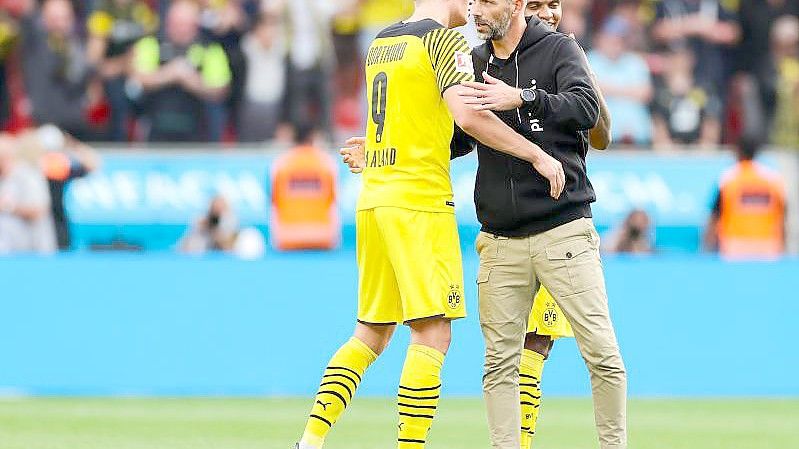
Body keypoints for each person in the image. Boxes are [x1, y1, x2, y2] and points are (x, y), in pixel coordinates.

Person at [297, 0, 566, 447]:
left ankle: (309, 439)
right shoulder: (442, 40)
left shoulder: (382, 41)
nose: (472, 5)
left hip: (375, 198)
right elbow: (469, 116)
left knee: (371, 330)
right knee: (433, 331)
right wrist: (535, 153)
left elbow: (406, 118)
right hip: (419, 203)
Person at [457, 1, 627, 448]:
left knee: (603, 356)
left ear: (514, 5)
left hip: (563, 230)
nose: (476, 10)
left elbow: (587, 108)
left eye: (488, 2)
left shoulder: (557, 49)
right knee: (499, 365)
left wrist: (525, 97)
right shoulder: (473, 61)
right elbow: (456, 138)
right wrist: (388, 144)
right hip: (499, 239)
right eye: (473, 1)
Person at [130, 0, 231, 142]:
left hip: (197, 130)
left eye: (185, 24)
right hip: (155, 127)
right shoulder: (152, 43)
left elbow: (220, 89)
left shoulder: (210, 49)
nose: (180, 29)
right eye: (176, 23)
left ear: (195, 25)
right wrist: (170, 73)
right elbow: (139, 77)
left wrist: (190, 80)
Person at [18, 0, 95, 140]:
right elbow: (26, 15)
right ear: (43, 18)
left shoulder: (77, 46)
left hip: (75, 125)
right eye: (54, 18)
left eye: (65, 18)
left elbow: (80, 80)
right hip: (43, 124)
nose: (60, 24)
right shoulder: (35, 41)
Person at [86, 0, 158, 141]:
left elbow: (152, 45)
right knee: (117, 104)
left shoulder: (142, 11)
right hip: (113, 79)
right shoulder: (103, 13)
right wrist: (123, 63)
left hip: (141, 75)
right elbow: (93, 62)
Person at [704, 136, 786, 259]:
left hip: (734, 248)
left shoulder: (728, 178)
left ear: (737, 151)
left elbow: (715, 216)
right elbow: (782, 215)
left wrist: (707, 248)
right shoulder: (772, 179)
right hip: (768, 247)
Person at [270, 124, 339, 251]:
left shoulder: (281, 163)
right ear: (313, 138)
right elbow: (333, 199)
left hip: (287, 238)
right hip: (322, 237)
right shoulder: (326, 162)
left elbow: (274, 201)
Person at [33, 124, 100, 250]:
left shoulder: (41, 164)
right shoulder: (58, 165)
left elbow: (92, 165)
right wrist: (73, 145)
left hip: (50, 220)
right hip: (49, 219)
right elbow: (92, 164)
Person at [0, 133, 57, 253]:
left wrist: (8, 207)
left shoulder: (27, 176)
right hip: (7, 250)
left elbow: (38, 209)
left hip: (32, 252)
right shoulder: (3, 178)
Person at [238, 10, 285, 142]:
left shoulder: (283, 51)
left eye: (273, 27)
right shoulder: (245, 50)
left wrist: (286, 120)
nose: (270, 32)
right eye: (265, 27)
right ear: (257, 30)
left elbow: (290, 88)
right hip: (250, 107)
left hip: (276, 107)